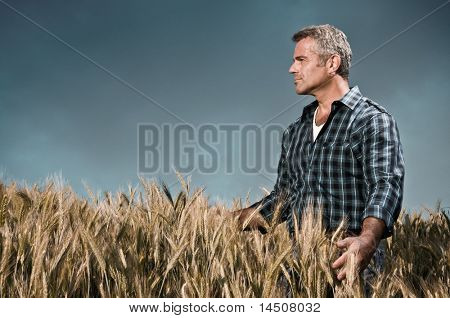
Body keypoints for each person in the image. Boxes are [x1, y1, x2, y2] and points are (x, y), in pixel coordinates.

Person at [232, 24, 405, 290]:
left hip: (349, 262)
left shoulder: (371, 120)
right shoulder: (295, 131)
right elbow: (286, 196)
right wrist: (233, 221)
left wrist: (368, 240)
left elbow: (385, 184)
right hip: (296, 265)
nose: (292, 68)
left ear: (332, 63)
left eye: (301, 60)